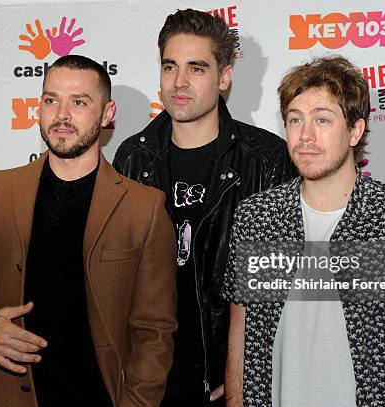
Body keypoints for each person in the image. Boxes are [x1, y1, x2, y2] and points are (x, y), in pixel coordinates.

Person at [0, 55, 177, 407]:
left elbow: (154, 334)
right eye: (51, 100)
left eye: (79, 102)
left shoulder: (144, 209)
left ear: (107, 114)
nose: (62, 115)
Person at [222, 55, 385, 406]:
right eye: (295, 120)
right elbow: (241, 338)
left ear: (355, 130)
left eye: (322, 120)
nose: (305, 135)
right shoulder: (257, 217)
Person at [113, 9, 296, 406]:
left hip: (229, 381)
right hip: (148, 383)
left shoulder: (266, 160)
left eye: (197, 68)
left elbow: (287, 283)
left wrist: (248, 373)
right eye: (170, 67)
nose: (179, 82)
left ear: (224, 76)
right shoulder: (131, 159)